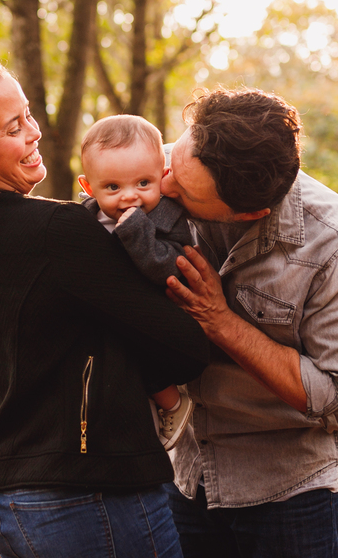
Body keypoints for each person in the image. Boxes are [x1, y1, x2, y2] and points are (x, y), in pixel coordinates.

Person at [0, 56, 210, 558]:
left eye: (29, 115)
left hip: (14, 499)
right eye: (14, 127)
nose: (34, 133)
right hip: (92, 493)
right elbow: (185, 347)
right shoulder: (56, 231)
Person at [157, 87, 338, 558]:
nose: (163, 186)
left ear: (249, 213)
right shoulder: (161, 168)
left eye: (186, 193)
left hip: (287, 491)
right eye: (174, 160)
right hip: (185, 475)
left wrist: (221, 321)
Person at [77, 114, 196, 448]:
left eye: (143, 183)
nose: (130, 196)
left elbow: (170, 267)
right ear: (89, 187)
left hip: (153, 312)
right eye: (113, 187)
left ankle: (171, 401)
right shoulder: (83, 217)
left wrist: (135, 231)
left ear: (163, 175)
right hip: (107, 309)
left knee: (137, 348)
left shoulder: (168, 218)